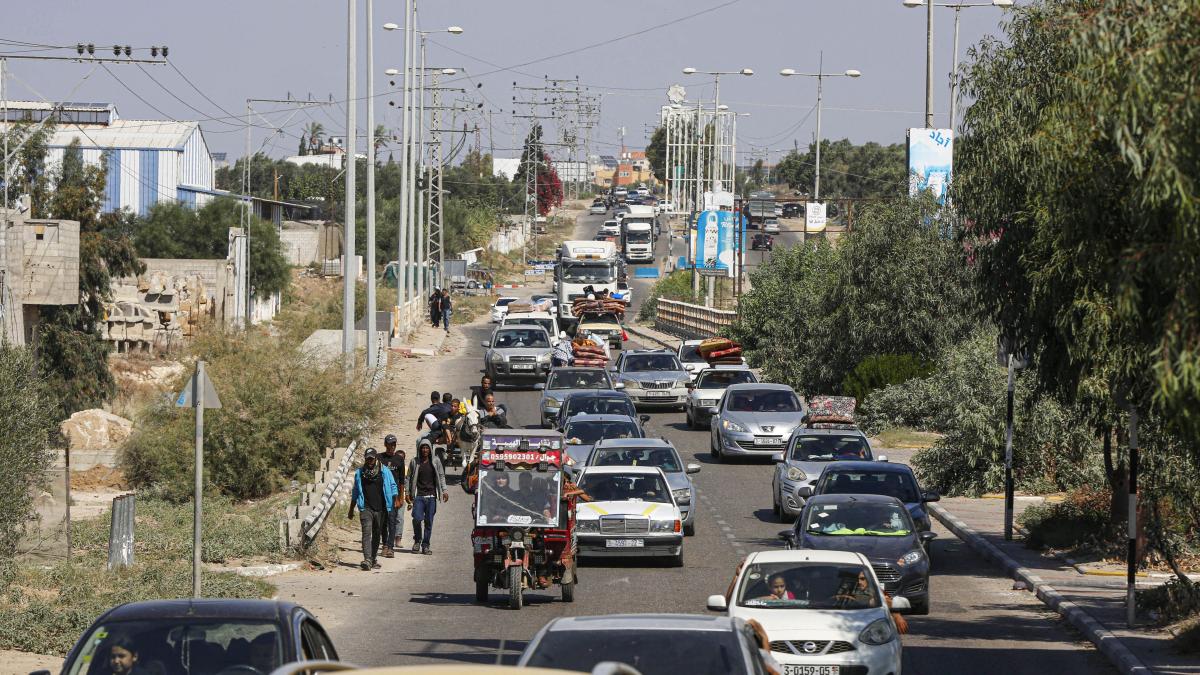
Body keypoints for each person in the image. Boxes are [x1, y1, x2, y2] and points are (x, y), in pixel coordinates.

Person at [347, 448, 400, 570]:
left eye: (372, 458)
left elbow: (393, 486)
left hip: (381, 508)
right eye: (368, 458)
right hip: (365, 507)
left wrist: (395, 500)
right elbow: (355, 492)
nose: (370, 460)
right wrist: (351, 510)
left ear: (376, 458)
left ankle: (373, 558)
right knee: (366, 533)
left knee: (377, 534)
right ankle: (367, 559)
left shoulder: (384, 471)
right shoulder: (360, 473)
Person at [406, 443, 448, 555]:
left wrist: (444, 491)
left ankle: (426, 545)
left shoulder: (436, 461)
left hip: (431, 497)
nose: (425, 450)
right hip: (418, 496)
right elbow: (408, 477)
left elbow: (441, 475)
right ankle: (417, 540)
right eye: (423, 448)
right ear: (420, 449)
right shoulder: (414, 462)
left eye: (427, 448)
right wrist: (407, 492)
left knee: (429, 522)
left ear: (430, 449)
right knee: (417, 519)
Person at [378, 435, 406, 553]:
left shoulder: (399, 459)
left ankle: (390, 547)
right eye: (390, 444)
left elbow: (401, 481)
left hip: (393, 496)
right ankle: (384, 543)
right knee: (382, 522)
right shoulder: (379, 458)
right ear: (385, 444)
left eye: (394, 444)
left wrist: (400, 498)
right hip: (380, 494)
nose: (392, 446)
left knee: (392, 521)